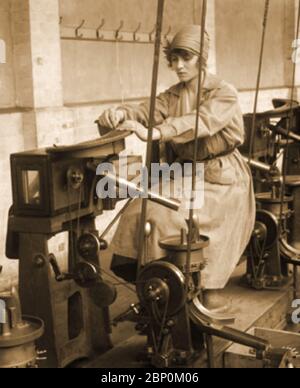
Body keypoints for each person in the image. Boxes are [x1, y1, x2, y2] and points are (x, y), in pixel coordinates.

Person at [98, 25, 255, 310]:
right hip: (188, 172)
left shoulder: (223, 93)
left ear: (201, 57)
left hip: (223, 179)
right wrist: (122, 112)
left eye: (186, 58)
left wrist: (155, 133)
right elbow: (146, 111)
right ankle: (160, 288)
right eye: (174, 59)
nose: (178, 66)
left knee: (165, 218)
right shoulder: (173, 95)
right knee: (139, 210)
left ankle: (198, 287)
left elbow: (199, 122)